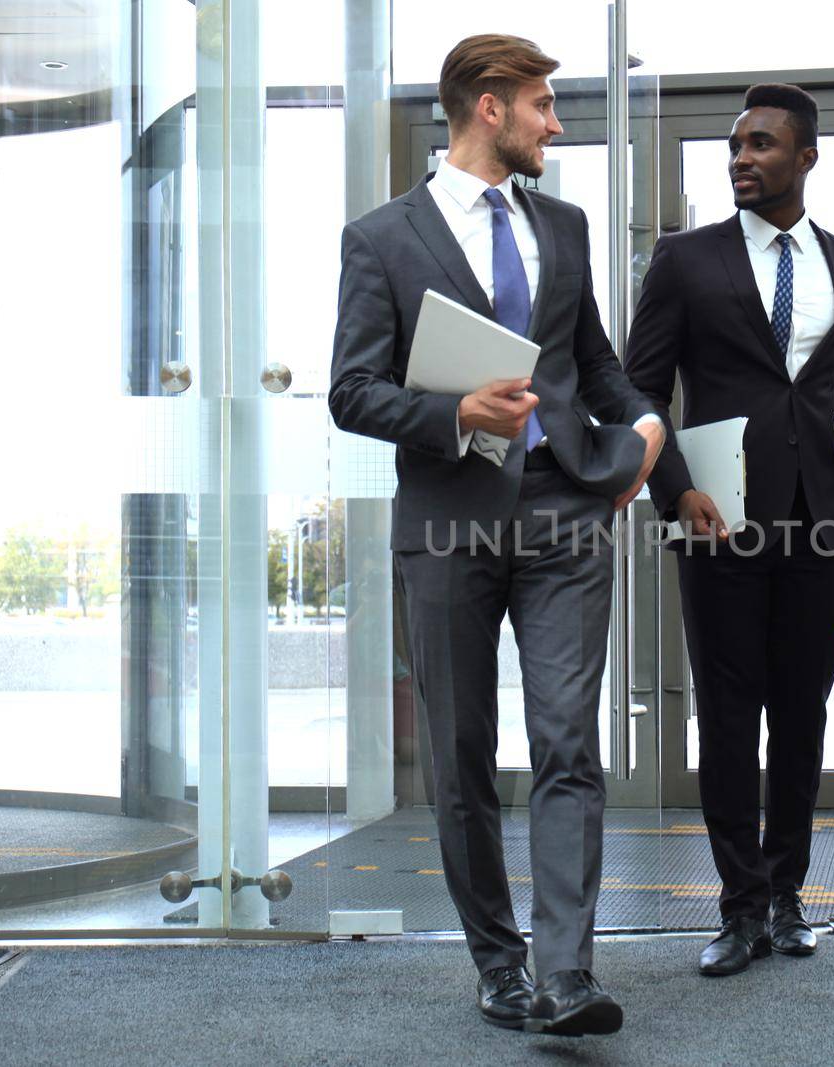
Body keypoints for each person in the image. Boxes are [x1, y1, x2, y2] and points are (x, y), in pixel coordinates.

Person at [329, 33, 664, 1036]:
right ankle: (498, 962)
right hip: (447, 521)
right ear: (488, 106)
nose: (555, 125)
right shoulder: (382, 236)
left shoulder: (560, 226)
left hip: (565, 508)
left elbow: (593, 365)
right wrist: (454, 416)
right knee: (462, 749)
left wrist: (645, 428)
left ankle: (566, 973)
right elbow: (352, 389)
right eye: (543, 107)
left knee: (567, 741)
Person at [624, 83, 834, 977]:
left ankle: (788, 892)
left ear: (806, 157)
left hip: (816, 521)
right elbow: (641, 387)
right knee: (727, 713)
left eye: (760, 144)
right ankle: (739, 905)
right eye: (736, 145)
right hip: (715, 516)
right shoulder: (684, 259)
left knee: (802, 711)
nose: (741, 157)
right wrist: (672, 492)